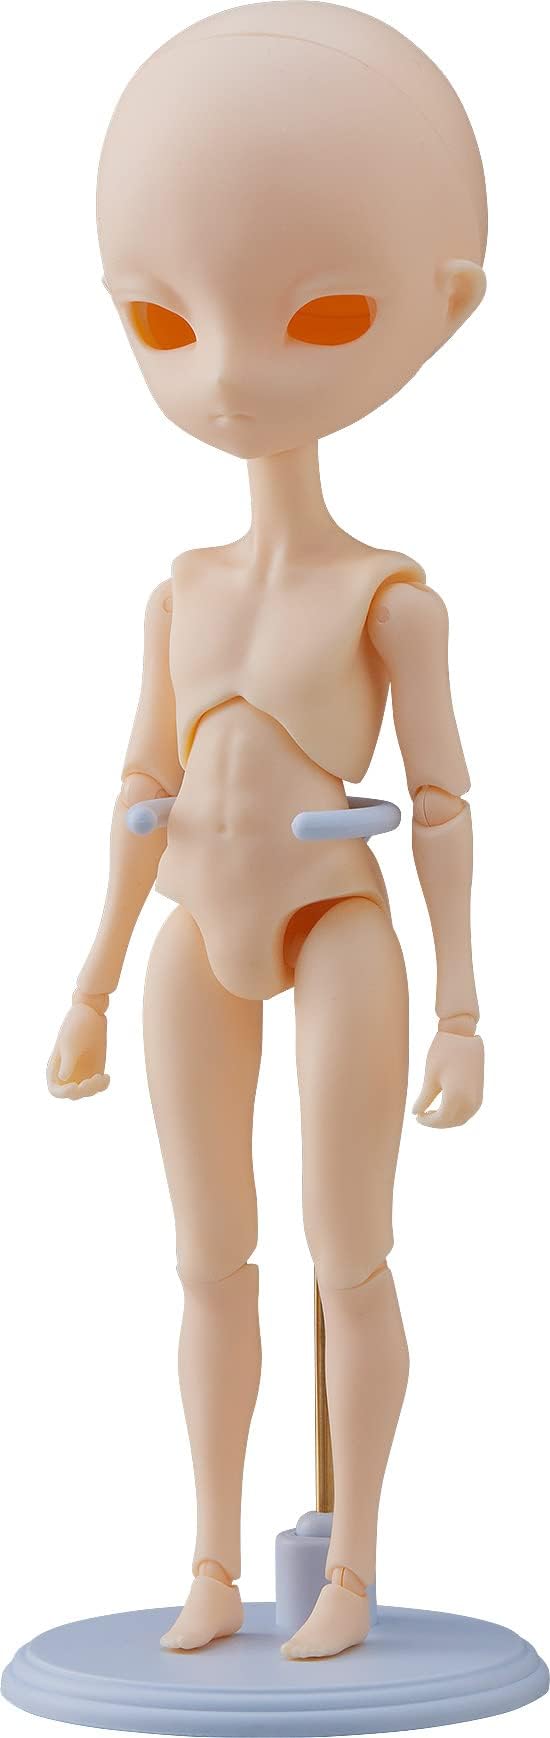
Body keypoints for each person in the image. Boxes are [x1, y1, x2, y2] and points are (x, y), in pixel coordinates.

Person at [47, 2, 486, 1660]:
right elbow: (135, 784)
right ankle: (214, 1559)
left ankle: (352, 1562)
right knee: (204, 1259)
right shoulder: (179, 591)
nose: (229, 374)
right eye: (164, 319)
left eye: (319, 313)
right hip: (189, 938)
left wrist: (460, 1006)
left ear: (441, 305)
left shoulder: (391, 598)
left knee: (345, 1253)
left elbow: (436, 802)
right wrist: (92, 977)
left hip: (338, 920)